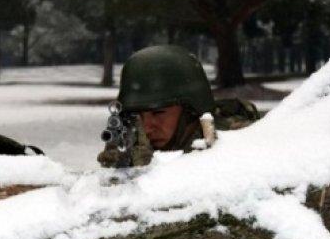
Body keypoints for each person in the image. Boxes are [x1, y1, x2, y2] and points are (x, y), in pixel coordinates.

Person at [98, 44, 260, 167]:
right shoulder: (135, 142)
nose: (147, 128)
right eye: (139, 115)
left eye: (158, 113)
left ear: (190, 110)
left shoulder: (235, 143)